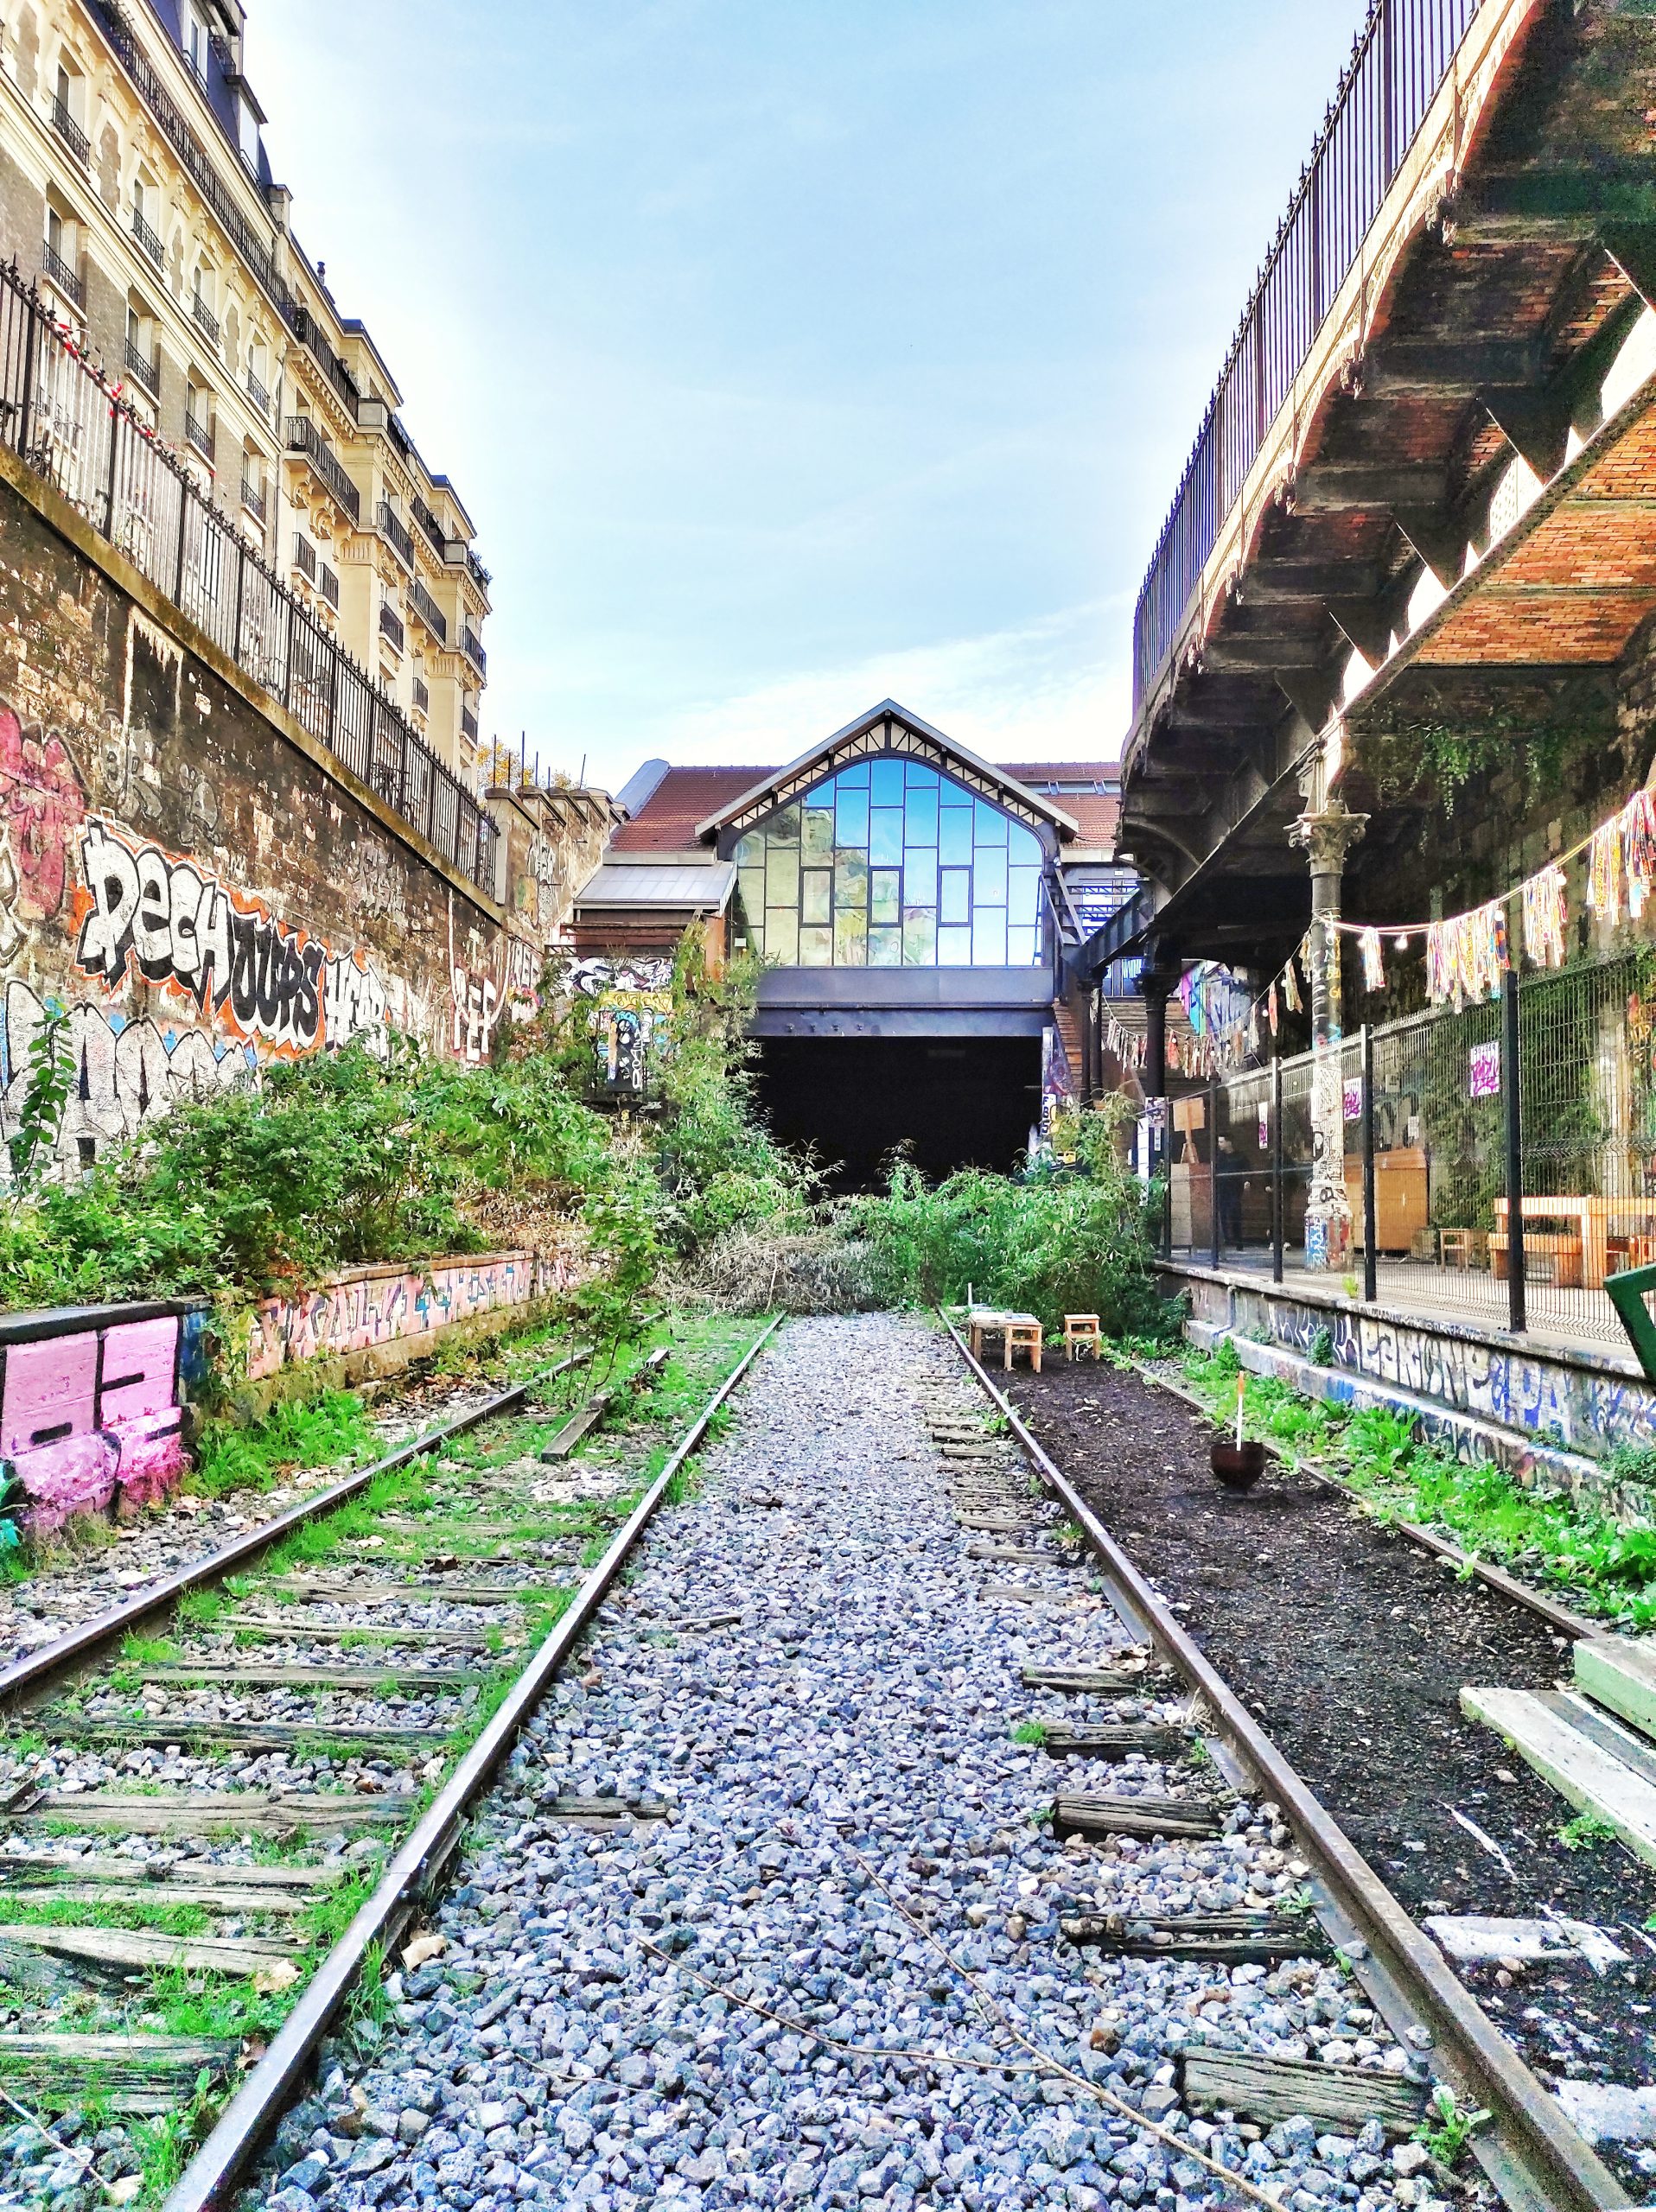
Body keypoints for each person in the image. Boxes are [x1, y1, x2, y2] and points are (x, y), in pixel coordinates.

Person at [1216, 1135, 1246, 1249]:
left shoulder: (1240, 1157)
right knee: (1222, 1214)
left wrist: (1247, 1181)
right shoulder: (1219, 1157)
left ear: (1229, 1142)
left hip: (1235, 1188)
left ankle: (1238, 1241)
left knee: (1235, 1213)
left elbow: (1246, 1169)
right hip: (1222, 1189)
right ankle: (1226, 1239)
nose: (1219, 1144)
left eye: (1221, 1142)